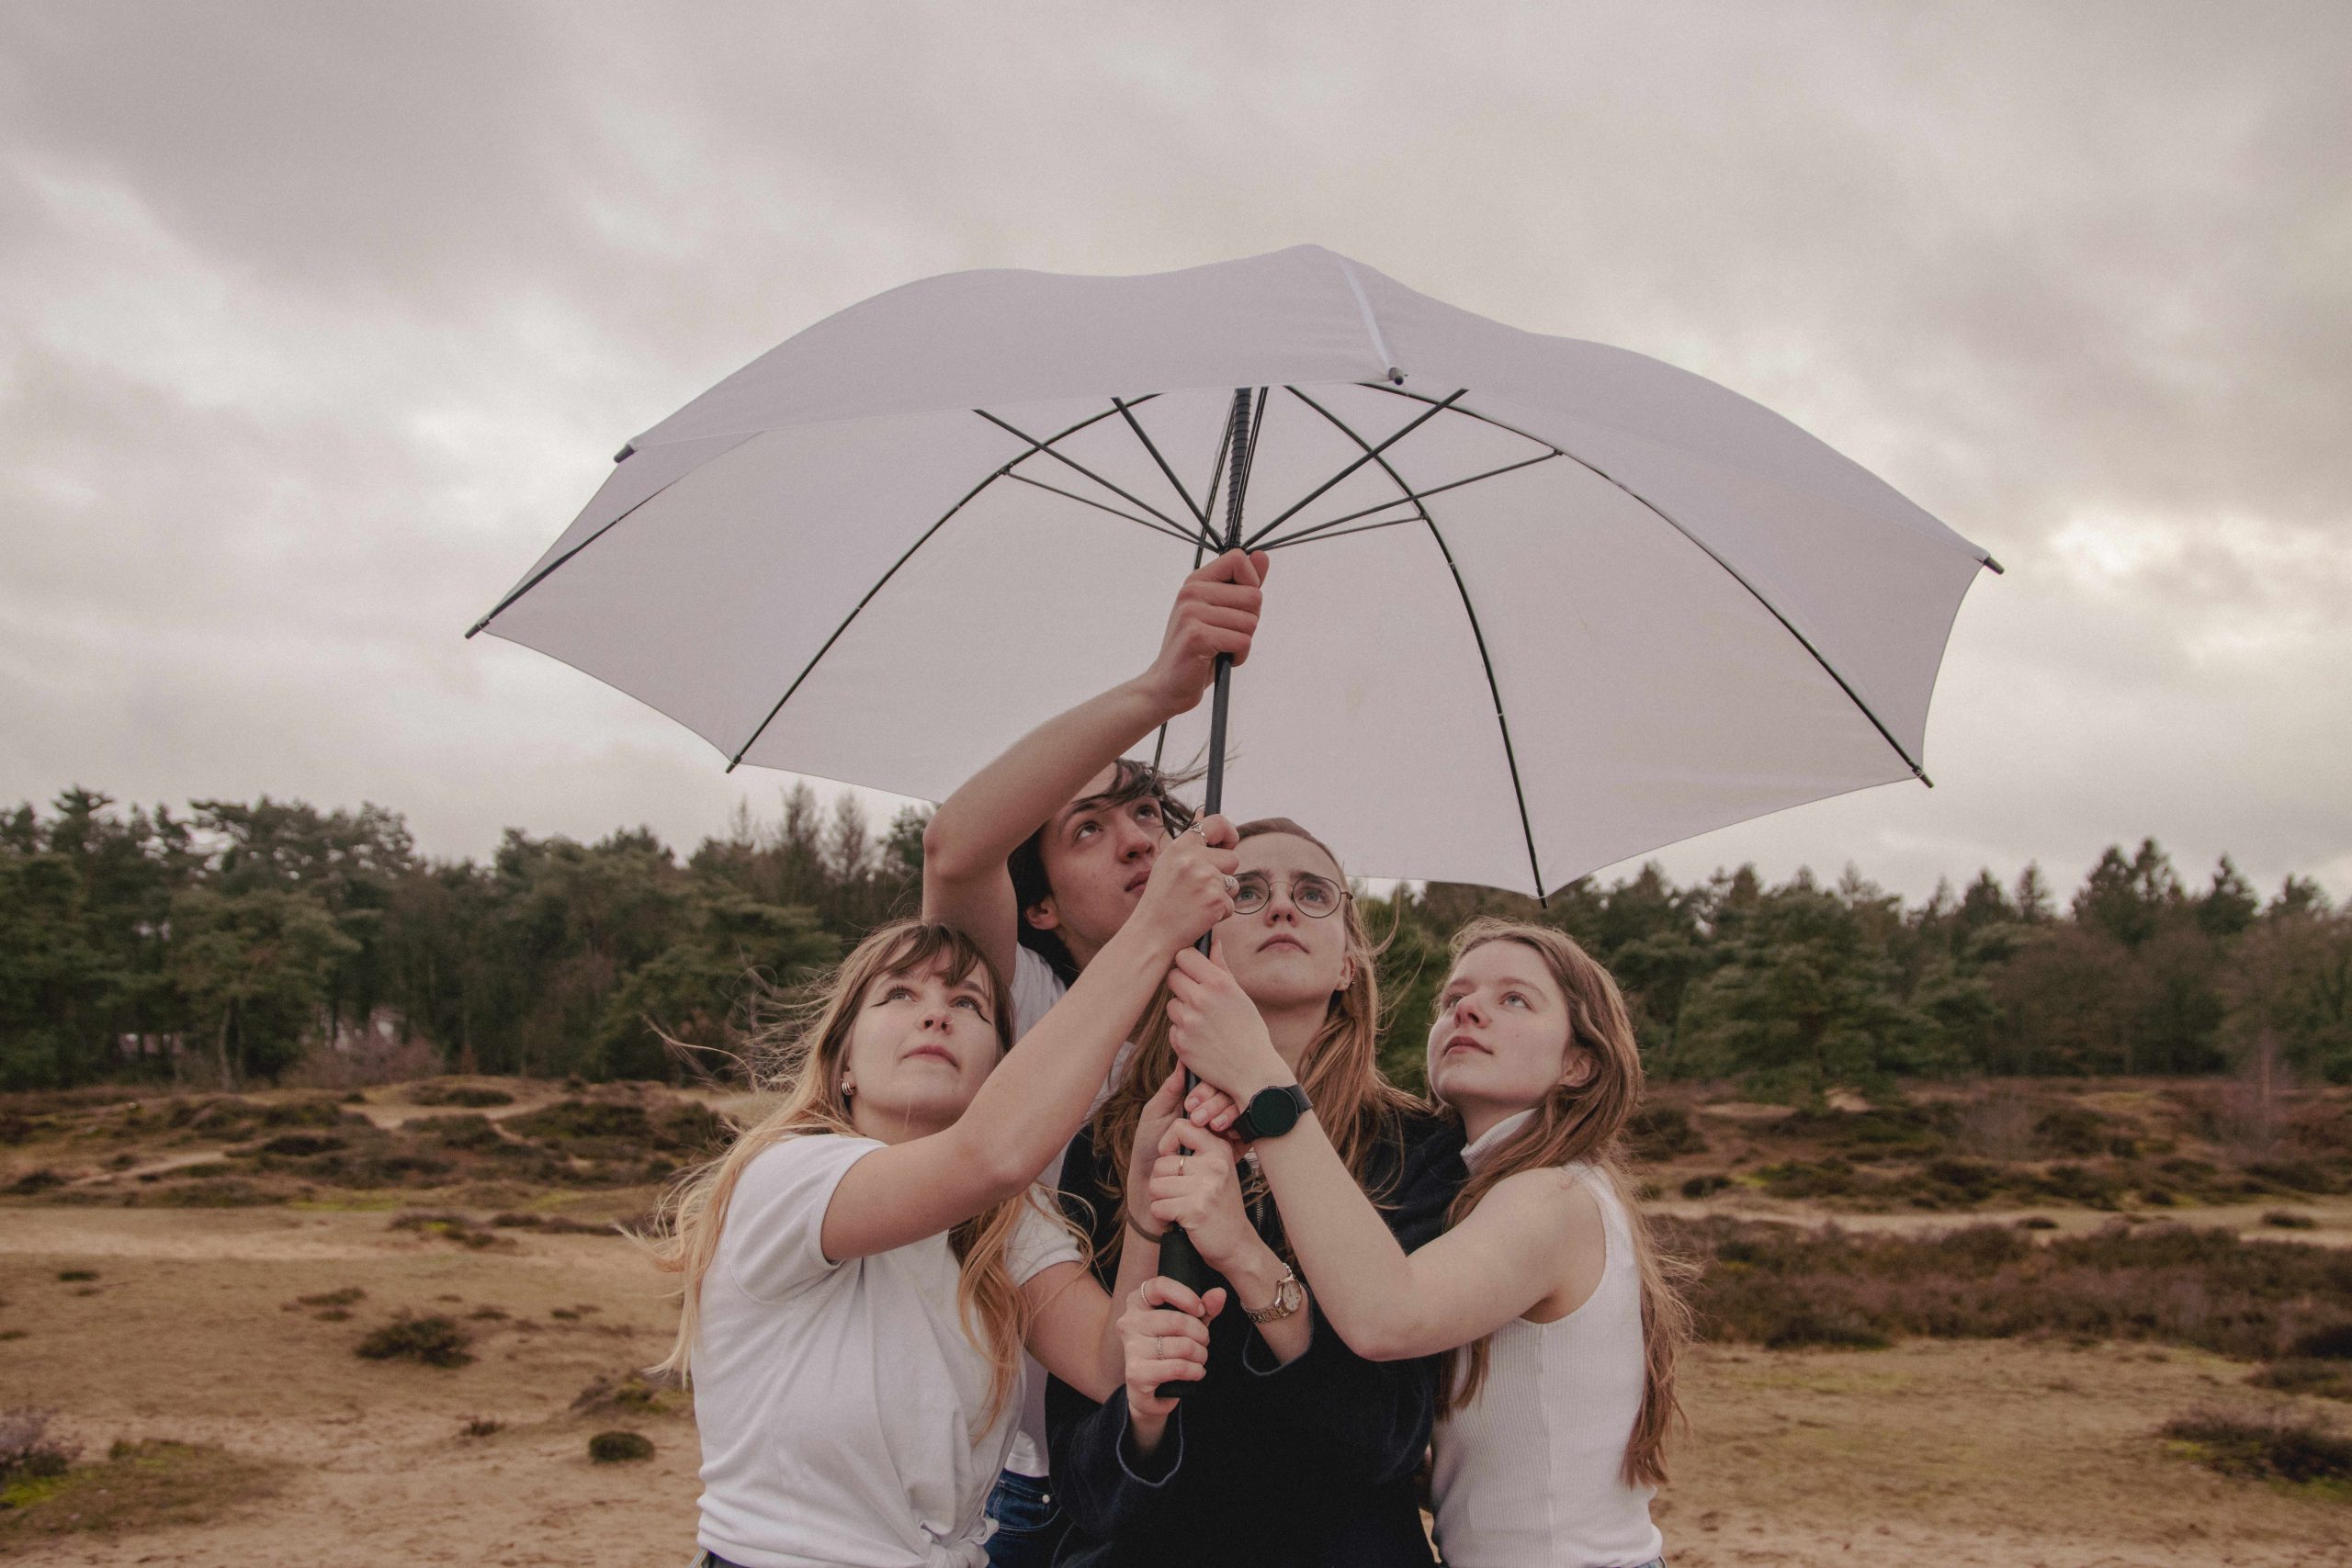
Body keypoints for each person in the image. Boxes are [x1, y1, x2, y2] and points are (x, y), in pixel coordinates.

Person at [642, 819, 1236, 1568]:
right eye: (899, 994)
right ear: (843, 1061)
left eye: (970, 1005)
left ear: (995, 1068)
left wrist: (1148, 1212)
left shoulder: (1005, 1225)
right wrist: (1153, 930)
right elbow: (991, 1152)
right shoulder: (787, 1178)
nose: (936, 1012)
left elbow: (1104, 1361)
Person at [921, 547, 1269, 1562]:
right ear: (1037, 903)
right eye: (1087, 828)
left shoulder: (1226, 1015)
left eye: (1147, 816)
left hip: (1211, 1460)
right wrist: (1161, 690)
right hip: (1036, 1475)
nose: (1135, 841)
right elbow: (956, 846)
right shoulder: (1021, 1003)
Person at [1162, 917, 1694, 1568]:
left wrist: (1262, 1080)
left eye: (1514, 998)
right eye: (1455, 999)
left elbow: (1386, 1314)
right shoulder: (1494, 1192)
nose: (1468, 1007)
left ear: (1580, 1064)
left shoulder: (1553, 1199)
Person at [1047, 818, 1464, 1568]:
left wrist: (1245, 1255)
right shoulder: (1111, 1149)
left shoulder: (1419, 1152)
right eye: (1244, 890)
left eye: (1313, 894)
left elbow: (1385, 1440)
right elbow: (1084, 1483)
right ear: (1196, 946)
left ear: (1347, 965)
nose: (1279, 907)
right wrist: (1141, 1414)